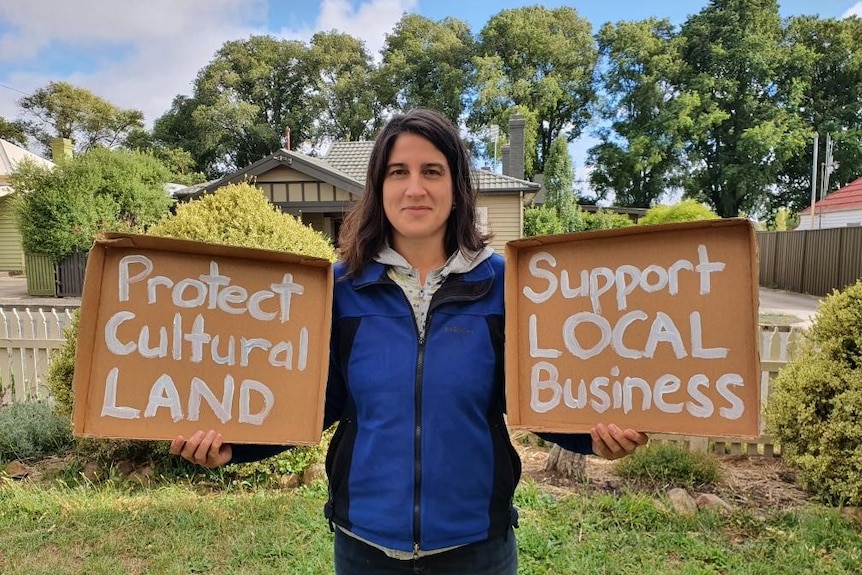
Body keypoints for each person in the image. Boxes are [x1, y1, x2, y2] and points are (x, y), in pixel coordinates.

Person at [171, 108, 648, 574]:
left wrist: (594, 437)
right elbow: (316, 403)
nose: (415, 188)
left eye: (432, 171)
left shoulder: (509, 286)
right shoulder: (337, 291)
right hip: (365, 546)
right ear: (378, 189)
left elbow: (533, 395)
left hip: (477, 546)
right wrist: (235, 446)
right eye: (398, 172)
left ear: (457, 191)